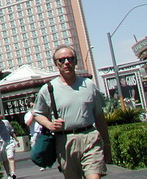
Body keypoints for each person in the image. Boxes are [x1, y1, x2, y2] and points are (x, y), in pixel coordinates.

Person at [33, 46, 112, 179]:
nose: (66, 63)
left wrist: (107, 144)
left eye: (70, 59)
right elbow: (37, 113)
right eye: (62, 60)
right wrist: (50, 125)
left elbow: (100, 117)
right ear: (56, 64)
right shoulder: (48, 89)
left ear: (75, 61)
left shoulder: (89, 85)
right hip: (65, 141)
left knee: (94, 177)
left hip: (90, 137)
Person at [0, 112, 18, 179]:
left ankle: (13, 173)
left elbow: (11, 132)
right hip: (0, 144)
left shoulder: (6, 122)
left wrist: (16, 140)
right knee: (4, 160)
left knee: (10, 157)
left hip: (9, 142)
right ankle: (8, 174)